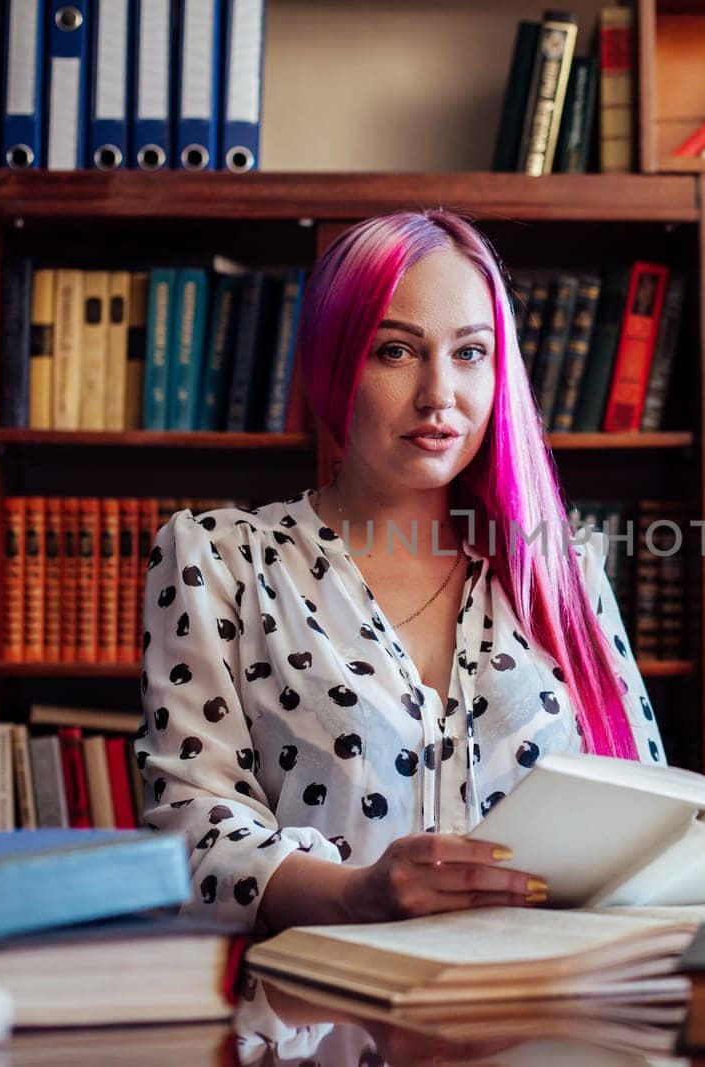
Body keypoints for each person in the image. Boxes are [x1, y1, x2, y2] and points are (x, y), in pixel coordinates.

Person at [136, 210, 666, 931]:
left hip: (536, 1012)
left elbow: (650, 803)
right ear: (334, 360)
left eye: (471, 353)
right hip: (328, 1017)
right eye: (396, 351)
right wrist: (358, 893)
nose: (439, 393)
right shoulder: (221, 558)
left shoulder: (559, 565)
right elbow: (189, 830)